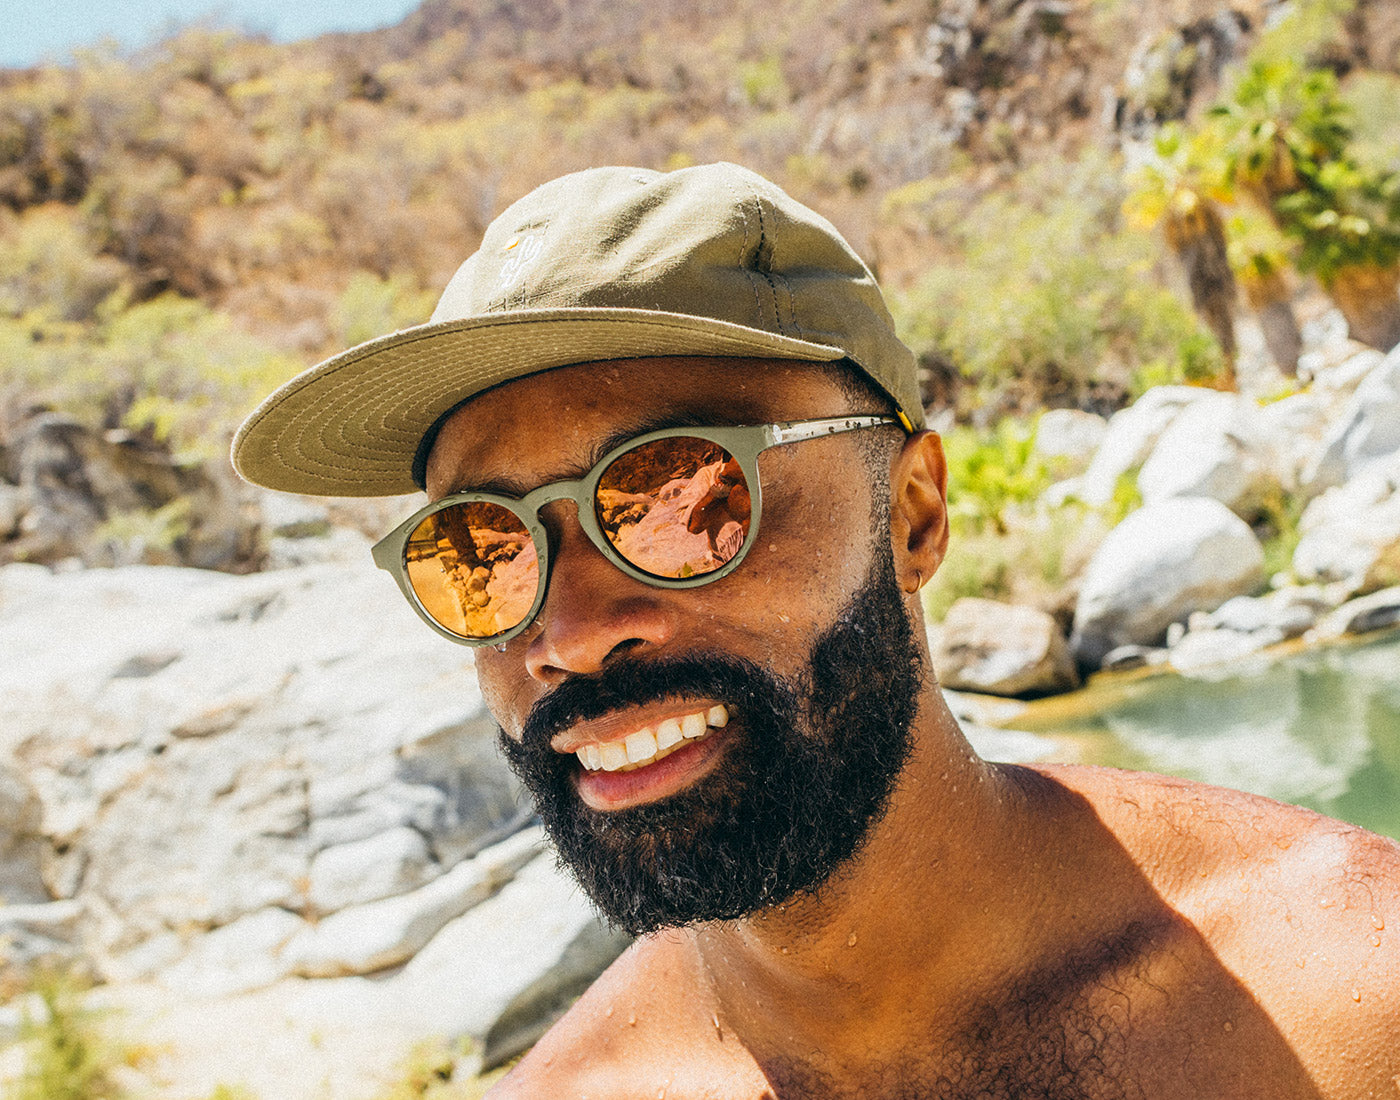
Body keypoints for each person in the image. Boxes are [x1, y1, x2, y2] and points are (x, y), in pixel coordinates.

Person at [233, 163, 1399, 1098]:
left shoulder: (1348, 994)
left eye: (679, 497)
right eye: (480, 550)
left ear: (914, 518)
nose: (571, 634)